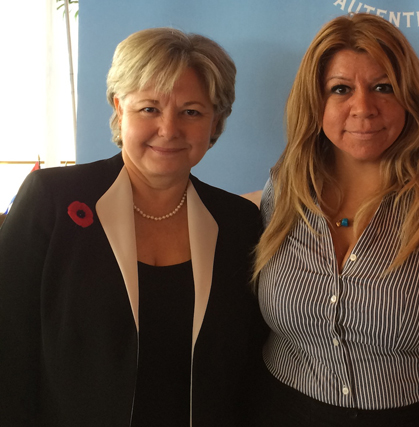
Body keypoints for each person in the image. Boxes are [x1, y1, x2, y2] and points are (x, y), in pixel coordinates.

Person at [253, 13, 419, 427]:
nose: (363, 108)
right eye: (340, 89)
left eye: (382, 87)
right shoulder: (285, 186)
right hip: (281, 408)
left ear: (409, 96)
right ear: (316, 102)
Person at [0, 28, 264, 426]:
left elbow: (245, 362)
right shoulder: (53, 200)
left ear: (215, 123)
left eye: (191, 111)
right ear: (119, 109)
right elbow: (9, 344)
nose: (169, 129)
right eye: (149, 109)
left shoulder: (239, 222)